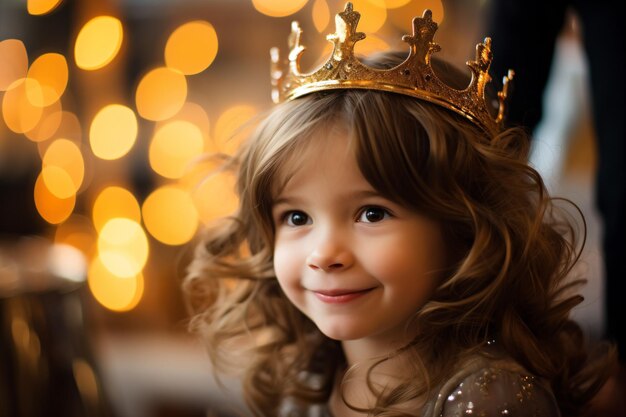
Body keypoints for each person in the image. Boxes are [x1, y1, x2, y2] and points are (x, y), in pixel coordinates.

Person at [183, 4, 615, 416]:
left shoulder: (490, 400)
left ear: (464, 226)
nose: (323, 254)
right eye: (297, 218)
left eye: (372, 213)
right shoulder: (310, 376)